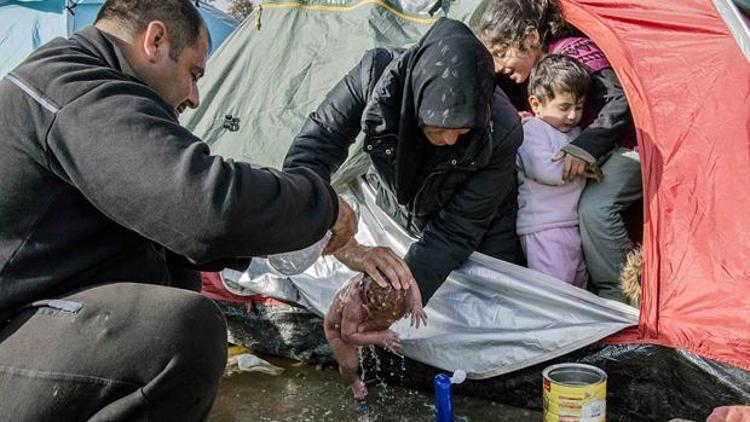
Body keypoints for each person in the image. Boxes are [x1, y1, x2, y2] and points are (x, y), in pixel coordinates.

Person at [0, 0, 357, 420]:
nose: (194, 96)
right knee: (181, 330)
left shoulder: (78, 84)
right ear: (154, 40)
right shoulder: (74, 89)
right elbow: (203, 207)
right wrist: (322, 206)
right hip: (11, 333)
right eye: (193, 73)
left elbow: (178, 223)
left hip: (30, 321)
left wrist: (299, 238)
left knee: (175, 267)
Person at [283, 18, 525, 304]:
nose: (449, 140)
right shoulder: (375, 76)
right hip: (395, 206)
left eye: (463, 131)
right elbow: (316, 144)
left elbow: (456, 231)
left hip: (480, 228)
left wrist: (398, 296)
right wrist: (334, 237)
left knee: (493, 307)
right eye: (437, 128)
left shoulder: (503, 129)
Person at [472, 0, 642, 302]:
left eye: (501, 53)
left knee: (596, 209)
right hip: (598, 157)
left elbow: (619, 99)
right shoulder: (542, 73)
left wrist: (583, 149)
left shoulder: (572, 51)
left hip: (629, 145)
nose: (498, 67)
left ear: (531, 38)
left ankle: (622, 297)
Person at [516, 54, 592, 288]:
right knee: (556, 294)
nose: (572, 115)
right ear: (536, 105)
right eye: (564, 107)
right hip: (544, 228)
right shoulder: (532, 130)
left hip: (571, 225)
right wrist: (584, 166)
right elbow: (544, 169)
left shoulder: (575, 134)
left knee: (579, 289)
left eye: (578, 107)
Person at [324, 274, 426, 400]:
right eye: (387, 317)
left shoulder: (394, 277)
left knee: (367, 329)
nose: (391, 320)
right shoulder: (353, 306)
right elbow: (347, 335)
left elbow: (410, 279)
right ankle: (354, 382)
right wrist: (379, 336)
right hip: (338, 330)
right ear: (367, 307)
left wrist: (416, 303)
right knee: (350, 365)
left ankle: (372, 334)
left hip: (360, 324)